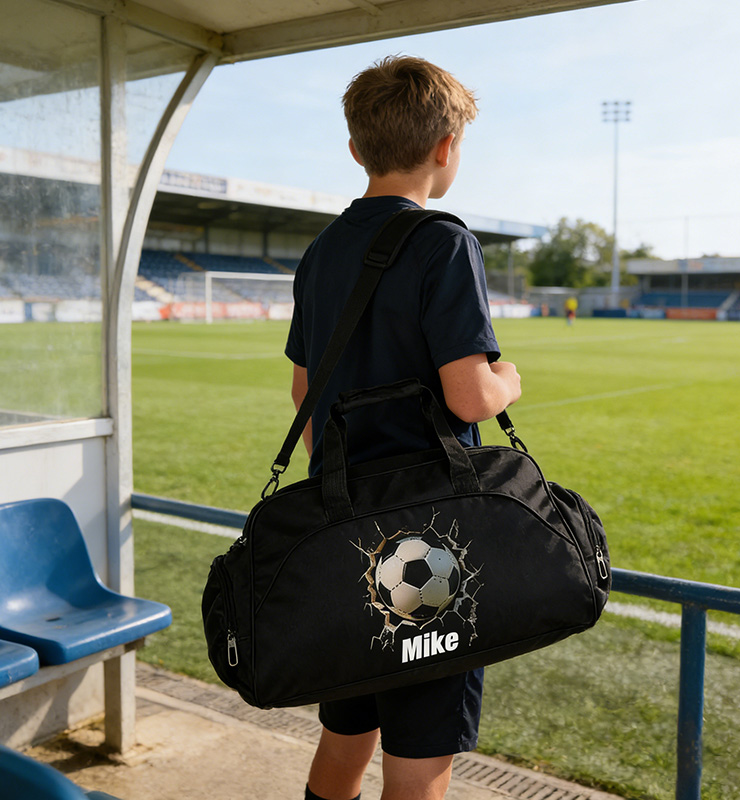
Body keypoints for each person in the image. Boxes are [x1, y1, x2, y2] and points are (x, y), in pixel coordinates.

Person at [284, 56, 522, 800]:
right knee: (420, 760)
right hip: (430, 540)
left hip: (344, 525)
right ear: (447, 146)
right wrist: (508, 379)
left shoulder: (321, 252)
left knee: (347, 728)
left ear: (356, 149)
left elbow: (304, 399)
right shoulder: (444, 242)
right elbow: (470, 392)